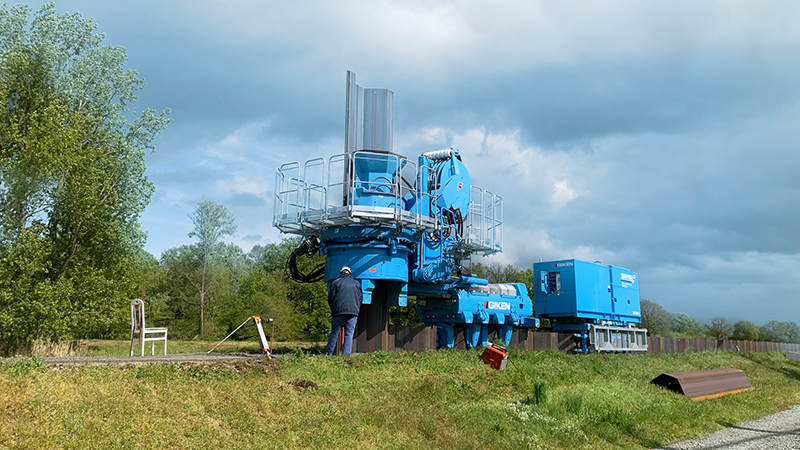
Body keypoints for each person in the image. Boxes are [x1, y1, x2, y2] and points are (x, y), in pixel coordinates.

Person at [325, 266, 362, 355]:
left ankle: (329, 354)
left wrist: (333, 309)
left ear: (341, 273)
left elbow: (330, 298)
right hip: (353, 312)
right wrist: (356, 309)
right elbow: (360, 299)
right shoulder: (357, 284)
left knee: (335, 332)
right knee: (349, 334)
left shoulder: (336, 282)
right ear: (350, 274)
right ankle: (346, 355)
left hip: (339, 311)